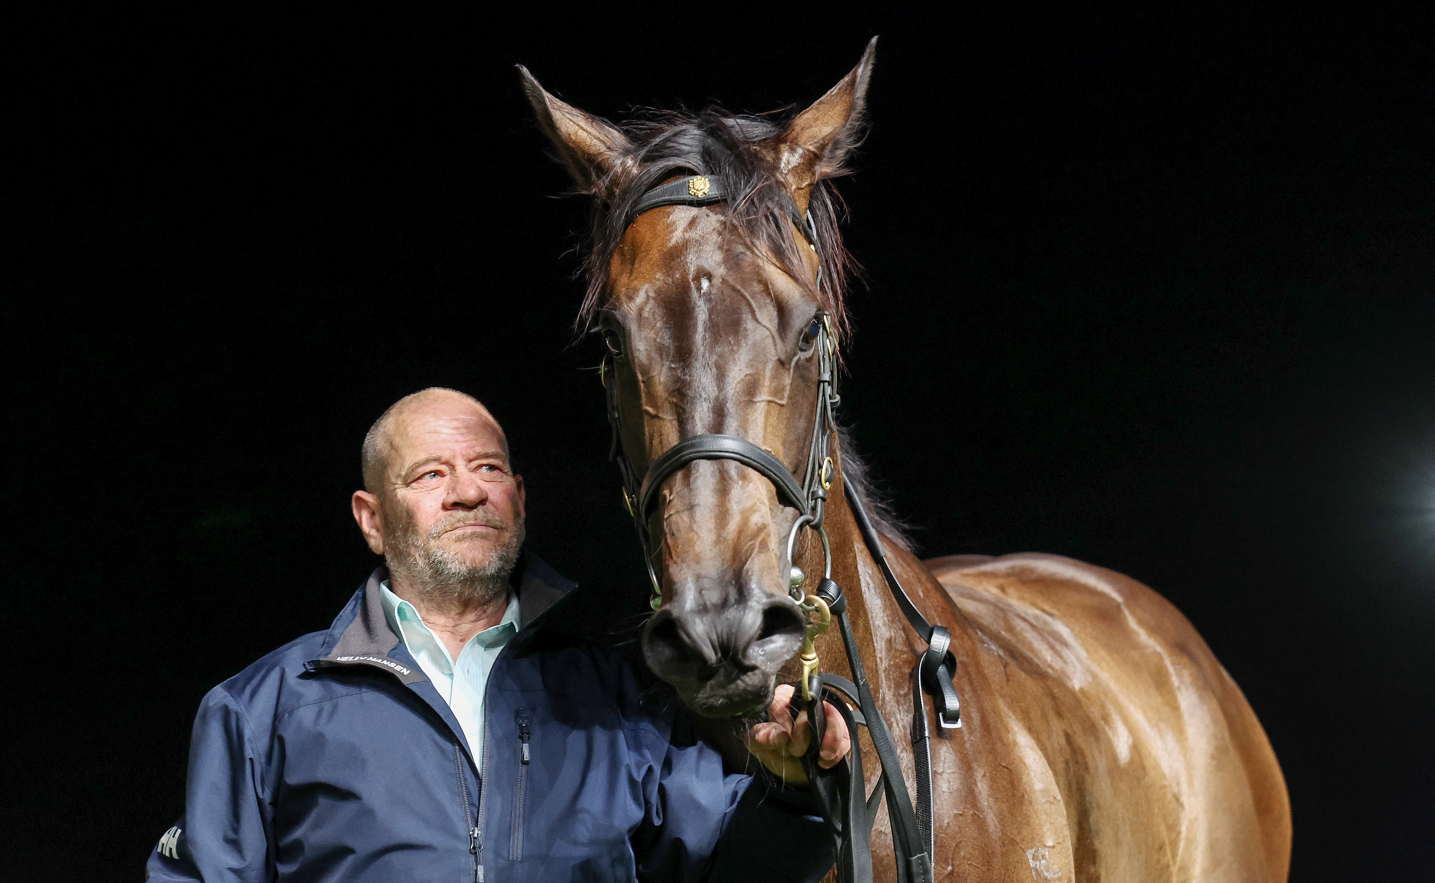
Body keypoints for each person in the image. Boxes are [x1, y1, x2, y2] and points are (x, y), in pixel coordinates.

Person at [146, 387, 849, 883]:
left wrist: (792, 786)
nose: (467, 490)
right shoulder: (263, 708)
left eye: (487, 467)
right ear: (371, 518)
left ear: (518, 497)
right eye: (430, 473)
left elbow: (739, 860)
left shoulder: (607, 698)